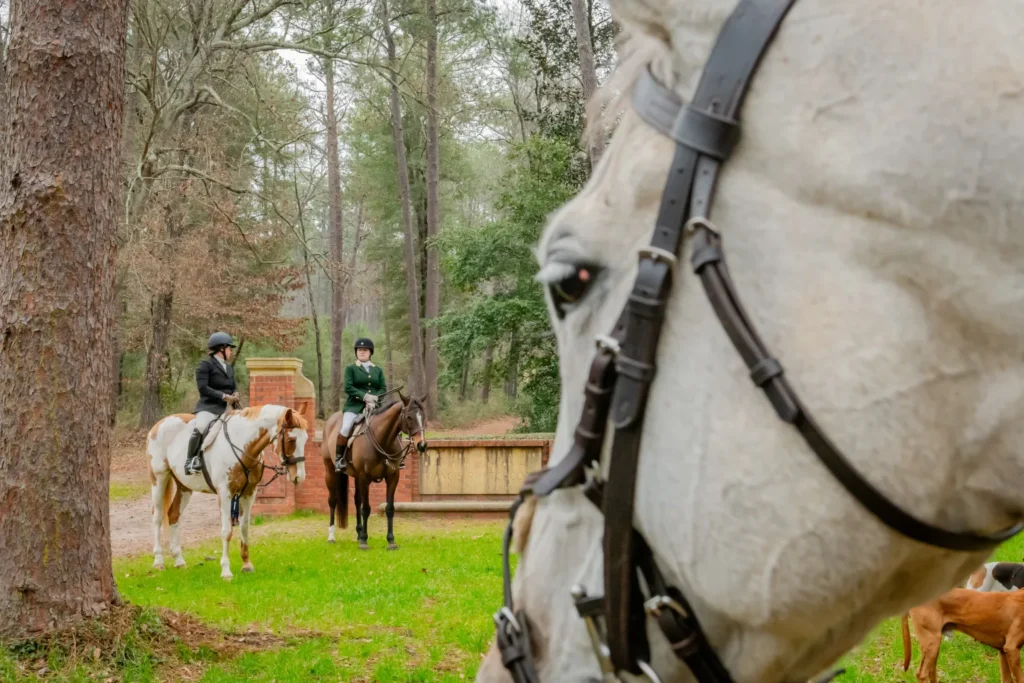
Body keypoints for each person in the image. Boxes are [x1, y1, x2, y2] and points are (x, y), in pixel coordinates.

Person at [184, 332, 241, 475]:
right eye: (229, 348)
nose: (231, 351)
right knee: (201, 426)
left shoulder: (229, 367)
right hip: (209, 407)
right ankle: (190, 461)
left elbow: (233, 386)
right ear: (221, 349)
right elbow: (203, 388)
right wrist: (224, 396)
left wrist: (235, 393)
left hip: (228, 408)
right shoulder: (205, 365)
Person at [335, 337, 388, 472]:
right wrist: (365, 397)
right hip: (354, 406)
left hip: (374, 407)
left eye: (365, 350)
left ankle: (392, 458)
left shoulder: (378, 370)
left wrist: (375, 399)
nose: (362, 352)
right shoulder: (351, 368)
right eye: (359, 350)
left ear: (370, 352)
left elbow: (383, 388)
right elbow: (348, 387)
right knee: (346, 427)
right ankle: (339, 458)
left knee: (390, 425)